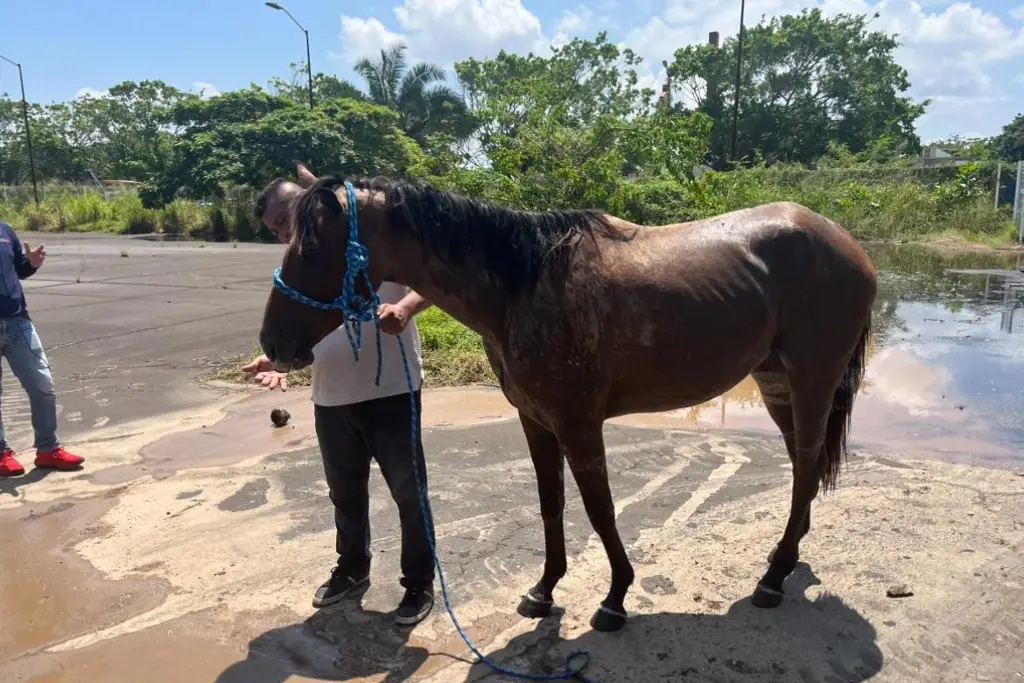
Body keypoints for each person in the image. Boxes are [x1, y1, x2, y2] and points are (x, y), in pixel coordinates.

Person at [244, 166, 437, 626]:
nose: (284, 234)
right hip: (331, 396)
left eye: (285, 220)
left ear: (309, 201)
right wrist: (278, 361)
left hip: (392, 386)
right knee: (345, 494)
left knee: (409, 495)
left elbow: (436, 273)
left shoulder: (364, 233)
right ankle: (352, 569)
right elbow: (302, 322)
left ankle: (418, 583)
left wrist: (407, 306)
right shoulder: (300, 261)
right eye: (275, 231)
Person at [0, 220, 84, 477]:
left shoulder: (5, 230)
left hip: (17, 321)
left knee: (42, 384)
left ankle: (48, 449)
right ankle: (1, 453)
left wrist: (32, 263)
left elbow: (20, 270)